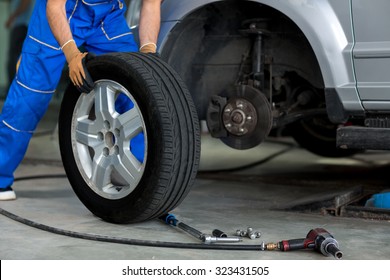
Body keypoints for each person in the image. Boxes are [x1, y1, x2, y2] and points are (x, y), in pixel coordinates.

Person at [0, 0, 162, 200]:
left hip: (107, 18)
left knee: (136, 83)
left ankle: (145, 177)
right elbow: (54, 7)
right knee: (30, 98)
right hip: (59, 14)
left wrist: (148, 53)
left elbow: (152, 4)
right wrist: (72, 54)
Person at [5, 0, 34, 91]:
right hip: (20, 26)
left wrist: (12, 17)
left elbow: (25, 3)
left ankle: (14, 89)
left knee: (15, 58)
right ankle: (15, 89)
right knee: (15, 58)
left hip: (21, 26)